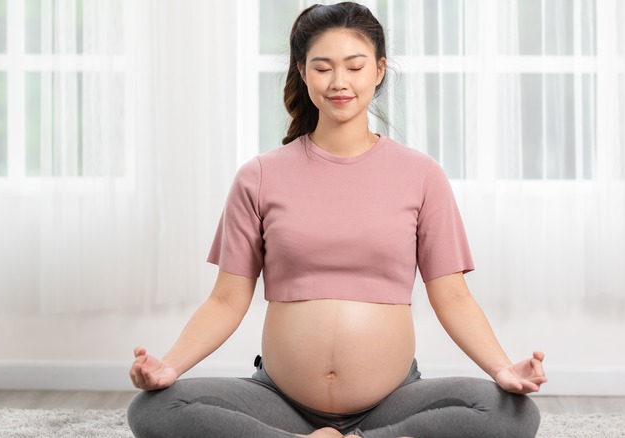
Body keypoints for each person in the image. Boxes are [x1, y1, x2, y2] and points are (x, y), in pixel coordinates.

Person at [127, 2, 546, 437]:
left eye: (355, 66)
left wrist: (502, 369)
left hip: (391, 403)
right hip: (280, 401)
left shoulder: (421, 175)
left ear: (379, 70)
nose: (339, 82)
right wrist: (169, 366)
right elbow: (226, 300)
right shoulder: (260, 176)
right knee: (154, 409)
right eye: (323, 67)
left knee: (511, 414)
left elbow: (454, 298)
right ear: (302, 71)